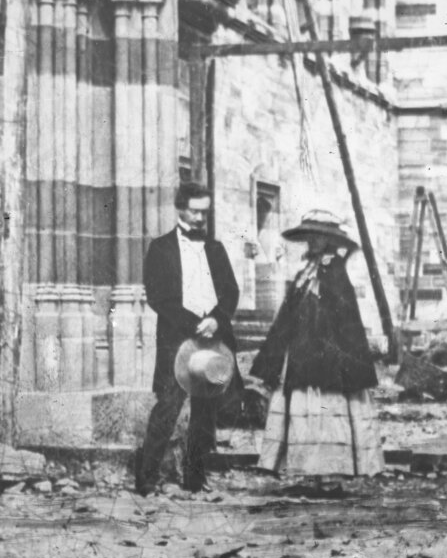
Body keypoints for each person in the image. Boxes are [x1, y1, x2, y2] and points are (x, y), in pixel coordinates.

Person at [250, 210, 385, 478]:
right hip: (300, 352)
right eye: (310, 236)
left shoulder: (335, 272)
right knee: (302, 408)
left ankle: (330, 471)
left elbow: (344, 318)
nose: (312, 241)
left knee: (328, 407)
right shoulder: (306, 270)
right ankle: (305, 470)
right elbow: (289, 313)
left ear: (329, 240)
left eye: (318, 236)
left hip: (328, 357)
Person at [134, 182, 241, 496]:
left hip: (212, 340)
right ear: (180, 209)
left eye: (204, 213)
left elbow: (231, 291)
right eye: (194, 211)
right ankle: (146, 479)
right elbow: (158, 297)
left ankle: (195, 478)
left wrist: (216, 320)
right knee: (168, 406)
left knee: (205, 411)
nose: (199, 218)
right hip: (177, 340)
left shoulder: (216, 249)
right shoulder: (161, 248)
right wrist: (196, 324)